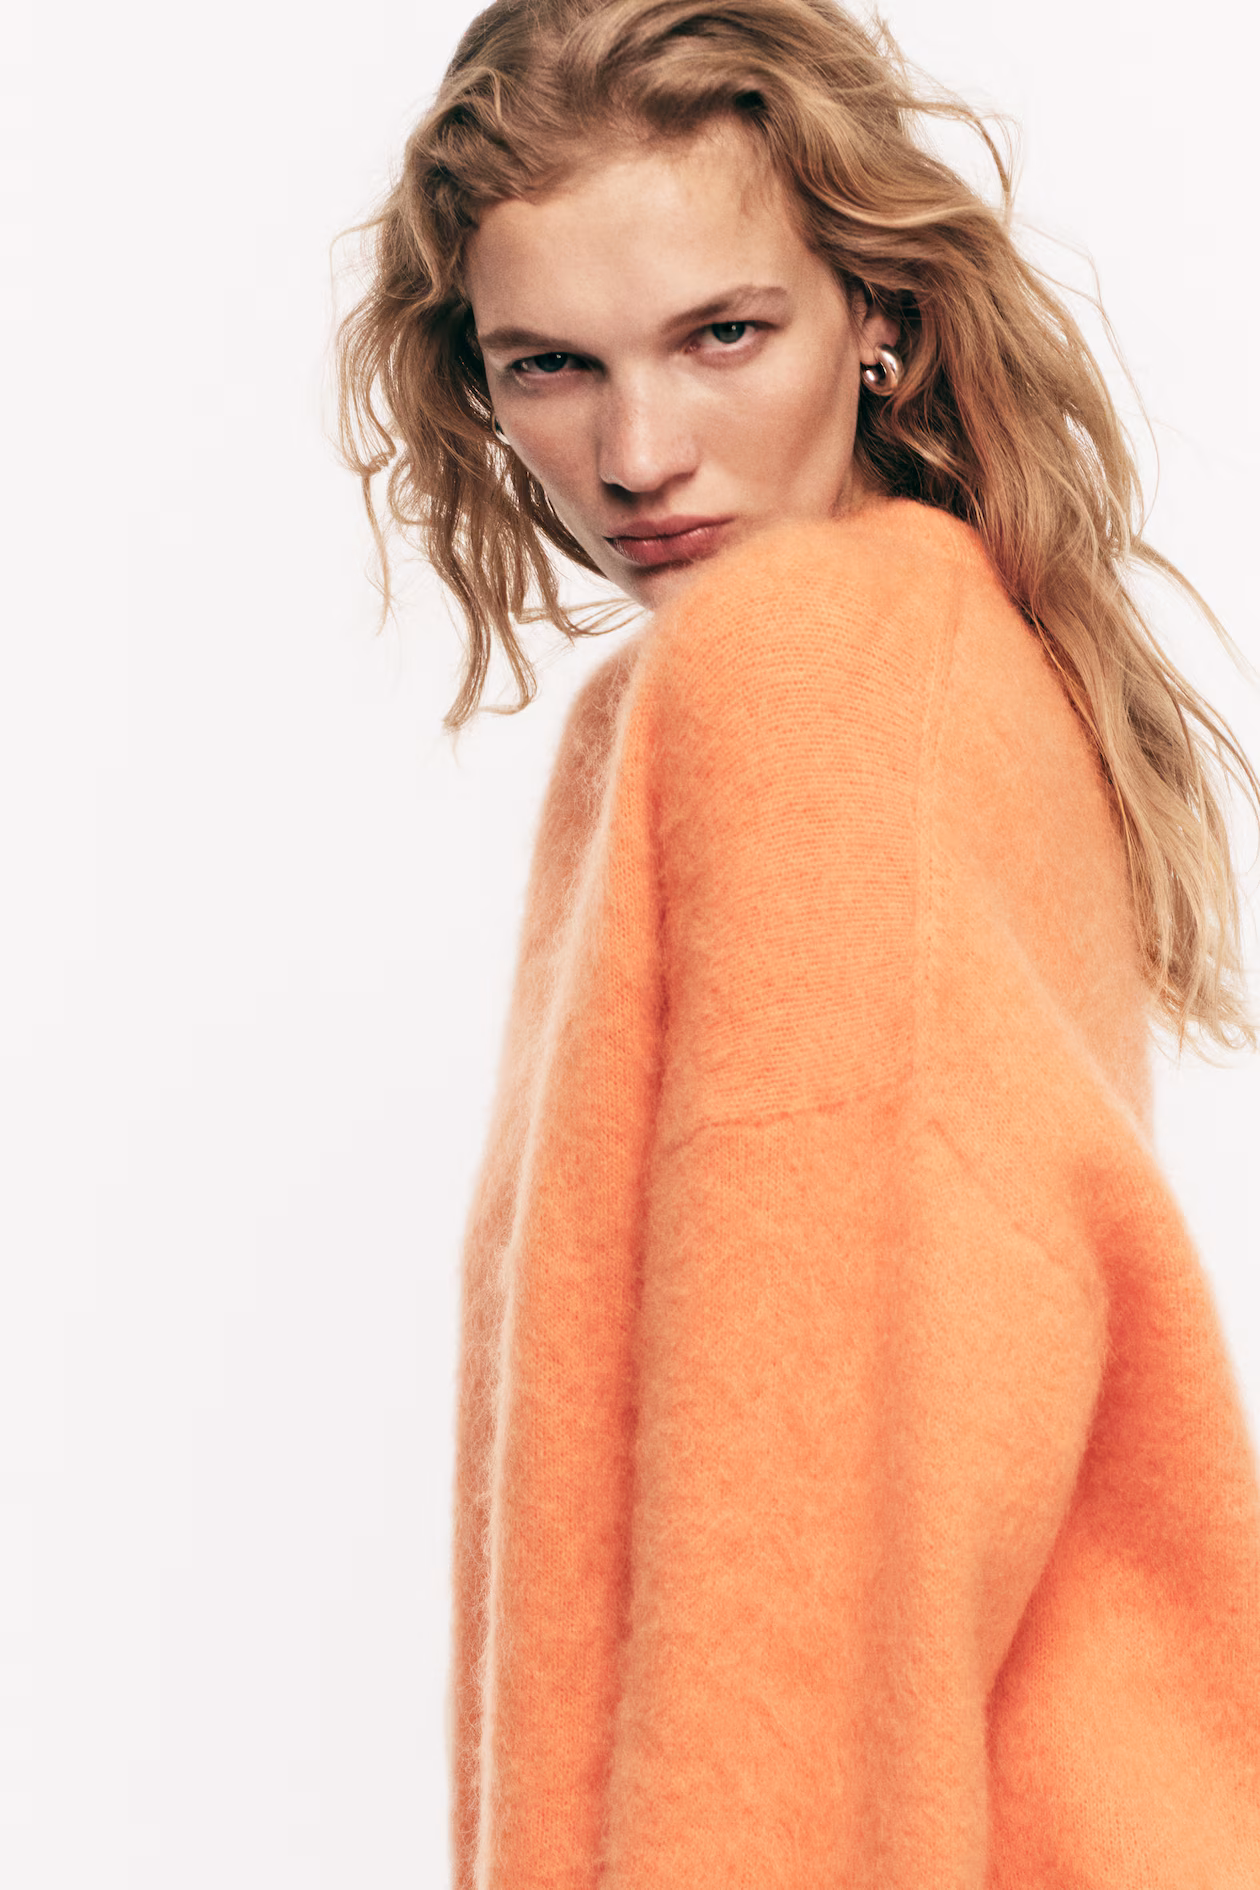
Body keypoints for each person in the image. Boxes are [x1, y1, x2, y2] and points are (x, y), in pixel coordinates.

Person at [335, 1, 1260, 1882]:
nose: (638, 452)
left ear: (877, 316)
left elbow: (808, 1550)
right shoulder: (920, 657)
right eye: (550, 367)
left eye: (722, 334)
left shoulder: (812, 677)